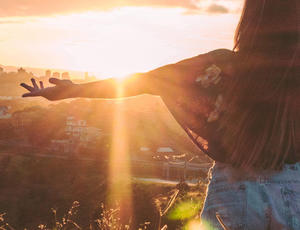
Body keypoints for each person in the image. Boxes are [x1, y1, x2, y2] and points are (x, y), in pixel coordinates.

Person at [21, 0, 300, 229]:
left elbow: (147, 81)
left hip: (236, 192)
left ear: (251, 18)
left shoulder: (222, 66)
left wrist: (74, 90)